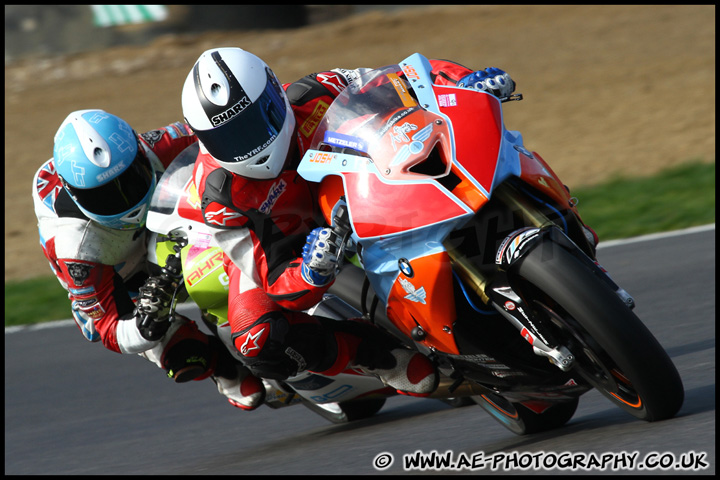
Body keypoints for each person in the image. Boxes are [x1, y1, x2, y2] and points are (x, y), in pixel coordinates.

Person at [138, 46, 533, 398]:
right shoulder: (220, 195)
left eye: (256, 122)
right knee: (256, 339)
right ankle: (381, 358)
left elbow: (403, 78)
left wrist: (464, 81)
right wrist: (310, 272)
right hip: (290, 239)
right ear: (206, 141)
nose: (249, 144)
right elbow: (270, 275)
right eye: (230, 138)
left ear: (276, 94)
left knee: (463, 155)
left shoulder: (313, 93)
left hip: (354, 192)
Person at [32, 109, 266, 410]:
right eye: (103, 196)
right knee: (184, 357)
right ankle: (224, 369)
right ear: (76, 195)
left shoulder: (159, 145)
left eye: (130, 180)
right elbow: (107, 328)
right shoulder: (74, 246)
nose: (125, 201)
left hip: (170, 229)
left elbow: (219, 131)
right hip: (117, 276)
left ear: (140, 153)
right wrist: (145, 326)